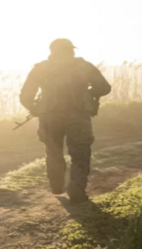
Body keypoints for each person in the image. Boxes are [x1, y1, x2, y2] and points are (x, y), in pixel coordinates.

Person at [19, 38, 112, 204]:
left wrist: (36, 108)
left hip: (49, 117)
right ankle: (76, 192)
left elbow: (26, 96)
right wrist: (88, 94)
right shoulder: (84, 66)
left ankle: (56, 187)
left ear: (52, 51)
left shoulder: (41, 68)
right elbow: (104, 87)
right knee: (80, 153)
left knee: (53, 152)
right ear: (71, 50)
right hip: (78, 116)